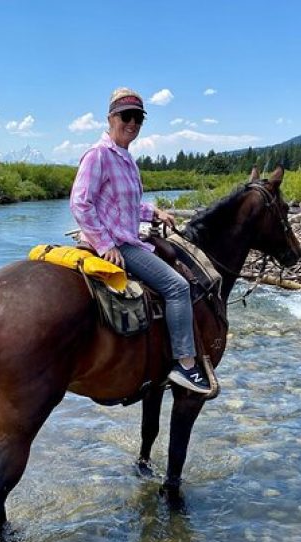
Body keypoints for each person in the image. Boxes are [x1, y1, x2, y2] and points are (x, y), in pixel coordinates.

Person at [69, 87, 211, 394]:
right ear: (111, 118)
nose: (132, 123)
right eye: (126, 116)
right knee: (178, 286)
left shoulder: (126, 159)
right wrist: (106, 245)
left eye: (138, 118)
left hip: (124, 236)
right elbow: (80, 203)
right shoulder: (98, 155)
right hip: (117, 244)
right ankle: (185, 365)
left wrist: (153, 213)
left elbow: (126, 206)